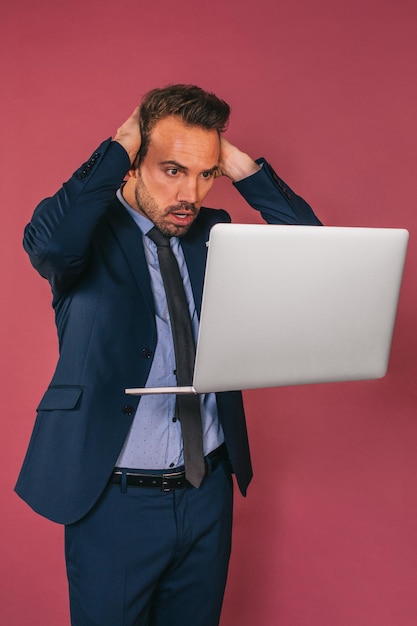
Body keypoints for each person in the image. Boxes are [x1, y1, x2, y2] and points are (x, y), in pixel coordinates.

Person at [15, 84, 322, 626]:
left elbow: (316, 257)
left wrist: (243, 169)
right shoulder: (85, 236)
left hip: (207, 495)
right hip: (113, 499)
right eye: (173, 170)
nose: (191, 194)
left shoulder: (213, 233)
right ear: (132, 165)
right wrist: (118, 145)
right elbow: (49, 244)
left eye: (205, 174)